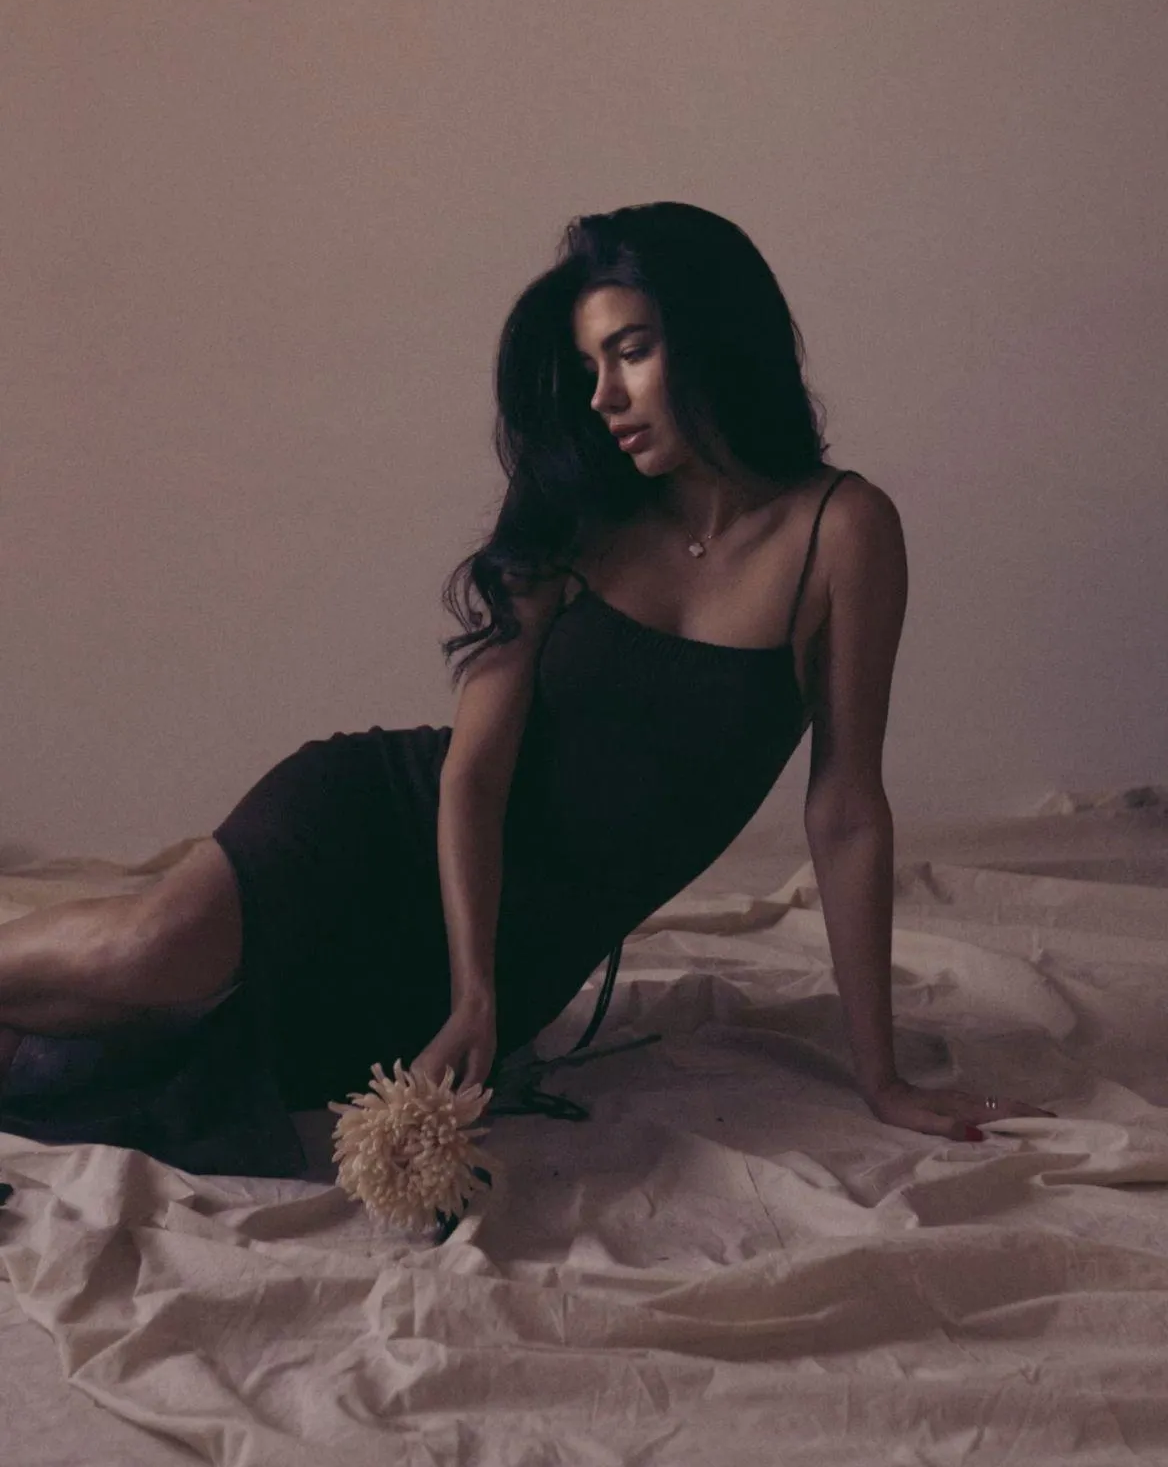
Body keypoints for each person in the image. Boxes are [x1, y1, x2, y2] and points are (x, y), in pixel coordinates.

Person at [0, 202, 1049, 1171]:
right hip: (382, 831)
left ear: (717, 334)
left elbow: (847, 807)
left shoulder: (843, 533)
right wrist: (475, 991)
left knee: (141, 1050)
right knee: (152, 954)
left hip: (511, 963)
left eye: (631, 351)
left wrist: (881, 1078)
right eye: (592, 363)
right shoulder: (574, 519)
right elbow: (474, 776)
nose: (603, 396)